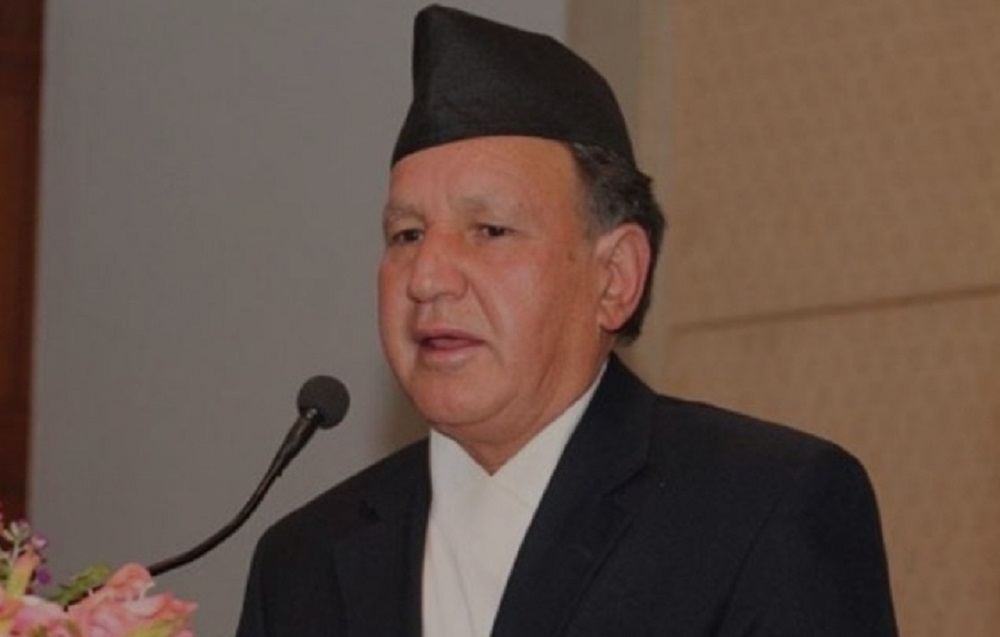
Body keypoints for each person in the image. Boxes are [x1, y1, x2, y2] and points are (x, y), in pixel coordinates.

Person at [235, 5, 898, 636]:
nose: (427, 278)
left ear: (614, 278)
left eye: (490, 229)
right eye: (406, 235)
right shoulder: (302, 562)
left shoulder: (762, 508)